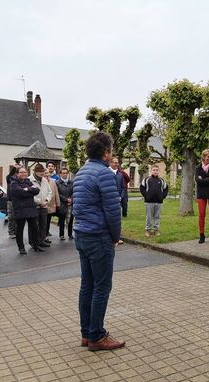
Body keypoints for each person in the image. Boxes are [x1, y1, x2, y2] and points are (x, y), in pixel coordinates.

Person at [73, 131, 124, 351]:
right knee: (101, 287)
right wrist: (115, 237)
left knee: (87, 285)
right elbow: (113, 211)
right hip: (98, 236)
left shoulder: (82, 171)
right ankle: (97, 336)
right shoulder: (104, 174)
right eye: (110, 150)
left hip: (82, 234)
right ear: (105, 153)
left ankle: (87, 333)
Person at [10, 167, 42, 254]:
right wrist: (30, 191)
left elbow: (37, 190)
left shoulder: (28, 181)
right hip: (20, 209)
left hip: (30, 208)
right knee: (19, 230)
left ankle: (36, 245)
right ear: (17, 174)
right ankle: (21, 248)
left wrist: (28, 189)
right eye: (22, 172)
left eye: (25, 172)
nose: (24, 174)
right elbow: (20, 193)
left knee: (35, 228)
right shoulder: (13, 183)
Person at [140, 164, 169, 237]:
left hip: (158, 202)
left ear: (158, 171)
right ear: (151, 171)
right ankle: (148, 230)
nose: (155, 171)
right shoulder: (147, 180)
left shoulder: (162, 180)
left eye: (157, 170)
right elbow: (142, 188)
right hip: (149, 202)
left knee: (157, 216)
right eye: (154, 170)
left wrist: (162, 197)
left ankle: (156, 230)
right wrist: (146, 196)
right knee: (149, 216)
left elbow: (166, 189)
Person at [29, 163, 52, 249]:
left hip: (44, 206)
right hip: (34, 206)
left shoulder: (44, 180)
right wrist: (39, 202)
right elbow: (29, 194)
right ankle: (33, 242)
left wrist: (46, 201)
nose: (42, 173)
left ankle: (41, 241)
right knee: (34, 225)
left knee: (43, 224)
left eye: (42, 171)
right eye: (40, 171)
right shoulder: (29, 180)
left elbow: (50, 192)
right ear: (35, 172)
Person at [56, 168, 74, 240]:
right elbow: (58, 194)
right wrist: (66, 199)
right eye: (63, 173)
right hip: (62, 204)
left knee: (71, 220)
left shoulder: (71, 182)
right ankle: (61, 235)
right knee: (62, 220)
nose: (64, 174)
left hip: (70, 203)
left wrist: (71, 199)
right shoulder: (57, 183)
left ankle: (70, 234)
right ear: (60, 174)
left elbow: (73, 191)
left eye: (66, 173)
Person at [45, 168, 61, 243]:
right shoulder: (41, 181)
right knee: (42, 222)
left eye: (48, 173)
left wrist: (58, 203)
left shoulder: (52, 181)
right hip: (43, 205)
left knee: (48, 221)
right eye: (45, 173)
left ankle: (46, 236)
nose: (46, 174)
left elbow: (56, 192)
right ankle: (41, 237)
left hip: (51, 205)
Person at [6, 163, 21, 238]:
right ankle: (11, 232)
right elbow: (9, 176)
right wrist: (14, 168)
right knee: (11, 217)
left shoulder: (20, 179)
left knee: (17, 216)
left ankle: (16, 231)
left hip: (18, 200)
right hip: (11, 200)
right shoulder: (10, 178)